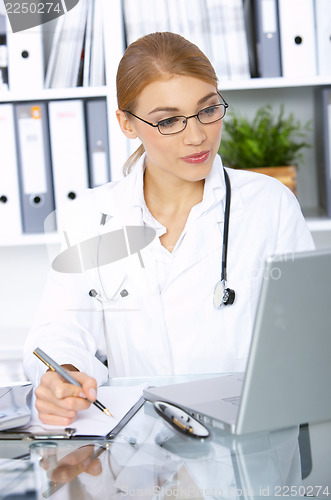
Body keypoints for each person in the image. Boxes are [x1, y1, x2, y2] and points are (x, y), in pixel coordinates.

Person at [23, 32, 315, 425]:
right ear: (126, 124)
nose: (197, 136)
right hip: (139, 448)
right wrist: (66, 373)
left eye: (208, 110)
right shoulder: (92, 215)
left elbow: (307, 335)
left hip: (248, 443)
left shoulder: (269, 204)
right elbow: (61, 326)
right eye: (168, 120)